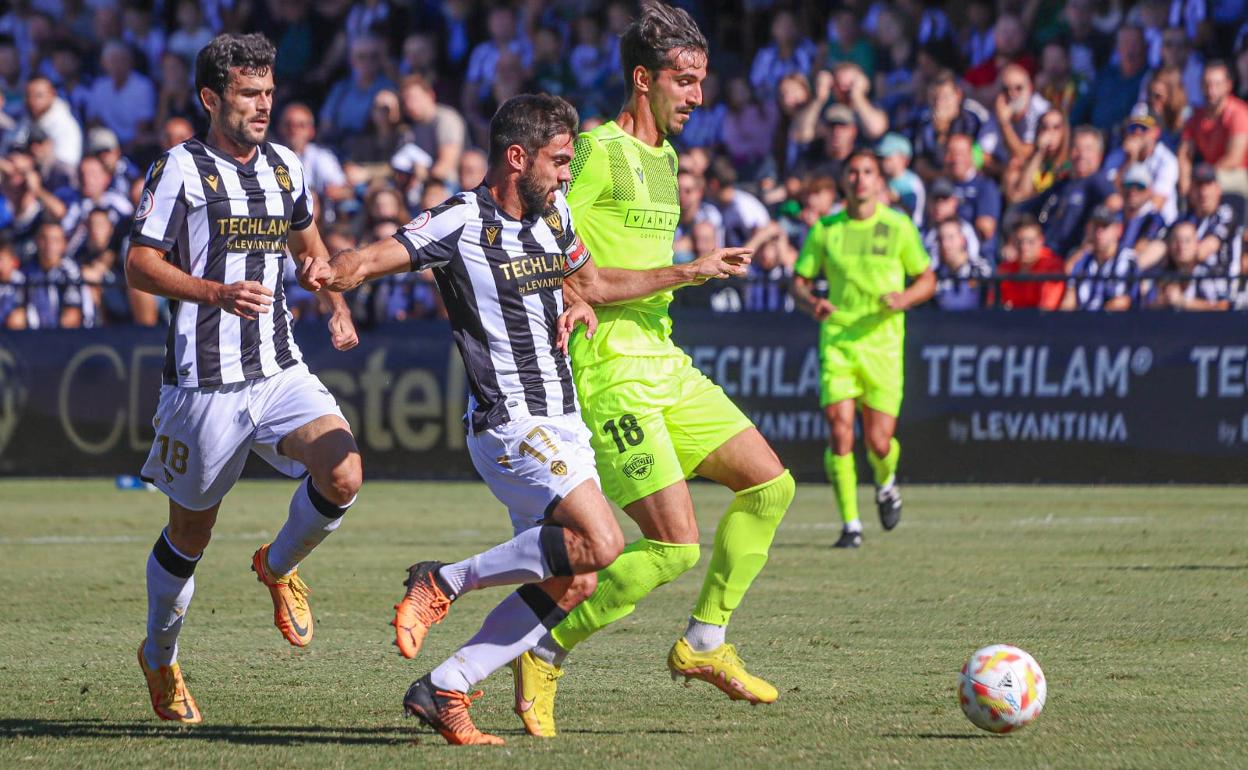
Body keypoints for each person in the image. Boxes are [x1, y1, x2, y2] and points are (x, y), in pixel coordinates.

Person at [299, 92, 751, 744]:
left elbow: (588, 284)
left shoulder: (555, 213)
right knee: (606, 543)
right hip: (509, 422)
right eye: (560, 160)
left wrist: (682, 272)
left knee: (576, 578)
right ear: (517, 157)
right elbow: (372, 258)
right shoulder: (459, 220)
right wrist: (330, 272)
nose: (569, 173)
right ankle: (443, 580)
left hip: (563, 418)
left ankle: (446, 687)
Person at [512, 2, 796, 736]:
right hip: (606, 368)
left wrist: (684, 275)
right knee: (672, 548)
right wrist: (689, 270)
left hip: (664, 361)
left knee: (770, 485)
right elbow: (574, 273)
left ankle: (704, 642)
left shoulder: (667, 160)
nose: (698, 97)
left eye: (702, 81)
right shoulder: (598, 152)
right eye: (685, 81)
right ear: (644, 79)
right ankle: (544, 651)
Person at [124, 33, 363, 726]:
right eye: (249, 94)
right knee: (190, 536)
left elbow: (306, 238)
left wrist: (335, 299)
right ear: (211, 98)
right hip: (204, 386)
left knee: (344, 473)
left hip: (278, 368)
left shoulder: (286, 166)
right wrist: (211, 293)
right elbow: (139, 264)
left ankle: (278, 565)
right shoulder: (178, 169)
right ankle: (161, 658)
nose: (264, 106)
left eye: (268, 92)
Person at [791, 150, 935, 548]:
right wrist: (811, 301)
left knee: (879, 442)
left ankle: (885, 481)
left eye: (867, 172)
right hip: (838, 338)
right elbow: (798, 281)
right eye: (852, 172)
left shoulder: (898, 226)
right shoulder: (826, 229)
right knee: (840, 430)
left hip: (883, 343)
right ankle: (850, 525)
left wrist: (904, 299)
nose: (859, 179)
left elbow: (927, 279)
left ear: (878, 180)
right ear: (844, 180)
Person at [1062, 205, 1135, 311]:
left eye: (1105, 226)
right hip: (1083, 323)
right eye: (1096, 226)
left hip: (1116, 324)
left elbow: (1123, 302)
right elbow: (1069, 299)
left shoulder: (1127, 260)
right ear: (1088, 228)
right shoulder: (1081, 261)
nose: (1099, 232)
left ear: (1118, 229)